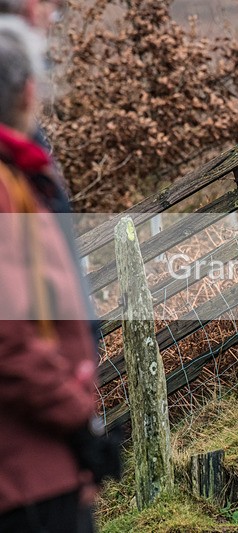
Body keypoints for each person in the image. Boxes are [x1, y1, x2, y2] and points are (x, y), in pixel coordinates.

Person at [0, 17, 99, 532]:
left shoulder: (21, 174)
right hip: (28, 474)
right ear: (29, 93)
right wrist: (77, 419)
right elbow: (9, 341)